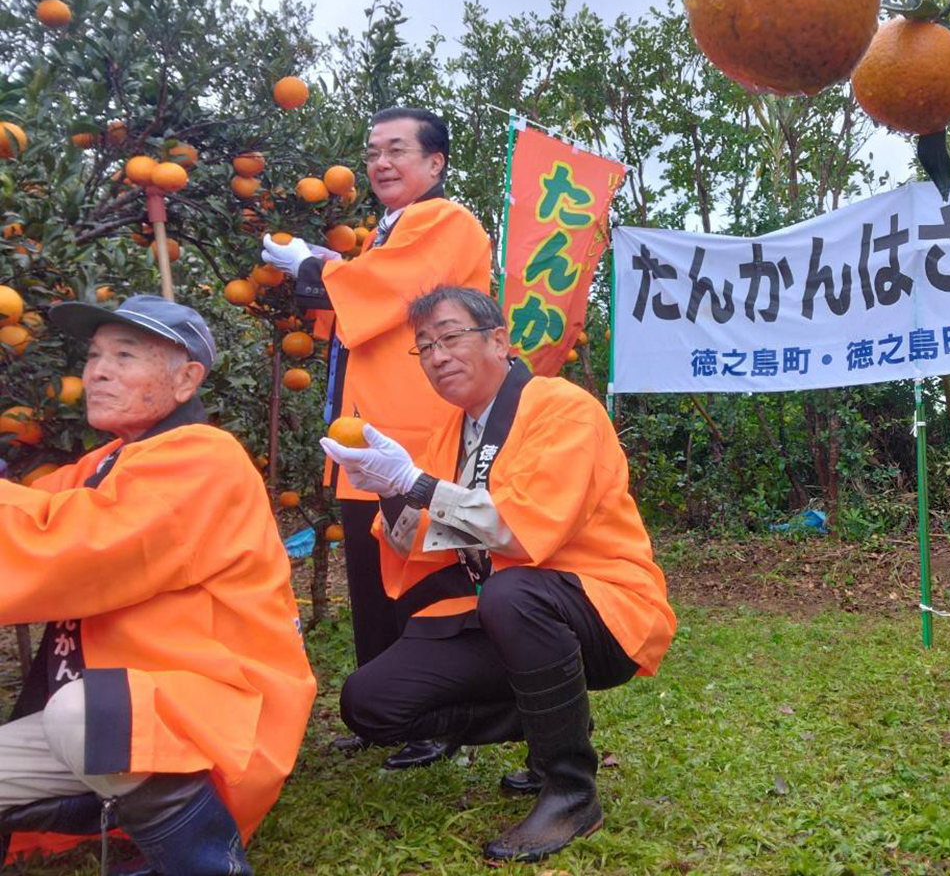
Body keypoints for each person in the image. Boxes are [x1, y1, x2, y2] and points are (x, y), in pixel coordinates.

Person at [321, 286, 676, 863]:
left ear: (499, 341)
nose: (437, 356)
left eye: (451, 336)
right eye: (425, 346)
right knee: (370, 703)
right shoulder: (448, 433)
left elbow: (522, 529)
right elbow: (422, 541)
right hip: (501, 613)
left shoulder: (563, 407)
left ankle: (569, 788)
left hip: (601, 606)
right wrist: (389, 491)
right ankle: (551, 717)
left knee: (514, 593)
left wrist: (416, 484)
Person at [0, 295, 316, 875]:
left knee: (85, 713)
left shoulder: (203, 457)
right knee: (63, 728)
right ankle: (104, 806)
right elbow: (32, 519)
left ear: (186, 379)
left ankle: (205, 862)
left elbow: (64, 549)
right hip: (119, 709)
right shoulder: (109, 462)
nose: (97, 371)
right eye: (94, 356)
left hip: (213, 712)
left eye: (125, 356)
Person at [261, 107, 492, 769]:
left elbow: (392, 289)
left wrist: (315, 267)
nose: (381, 164)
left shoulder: (445, 221)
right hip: (371, 428)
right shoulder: (387, 233)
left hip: (417, 430)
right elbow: (369, 291)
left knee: (421, 572)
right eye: (372, 153)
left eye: (397, 150)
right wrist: (330, 267)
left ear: (435, 163)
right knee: (371, 579)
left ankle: (435, 718)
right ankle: (385, 713)